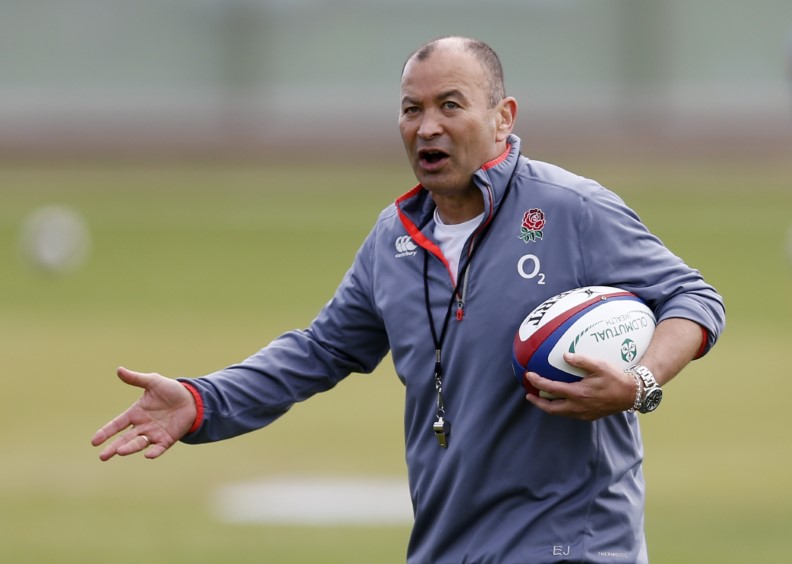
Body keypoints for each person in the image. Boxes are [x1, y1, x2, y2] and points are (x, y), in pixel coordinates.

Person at [91, 36, 725, 563]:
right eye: (411, 108)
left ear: (504, 116)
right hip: (448, 544)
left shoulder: (569, 210)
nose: (428, 126)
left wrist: (639, 382)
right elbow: (321, 350)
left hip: (575, 546)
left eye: (451, 105)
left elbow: (693, 299)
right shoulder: (394, 238)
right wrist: (204, 401)